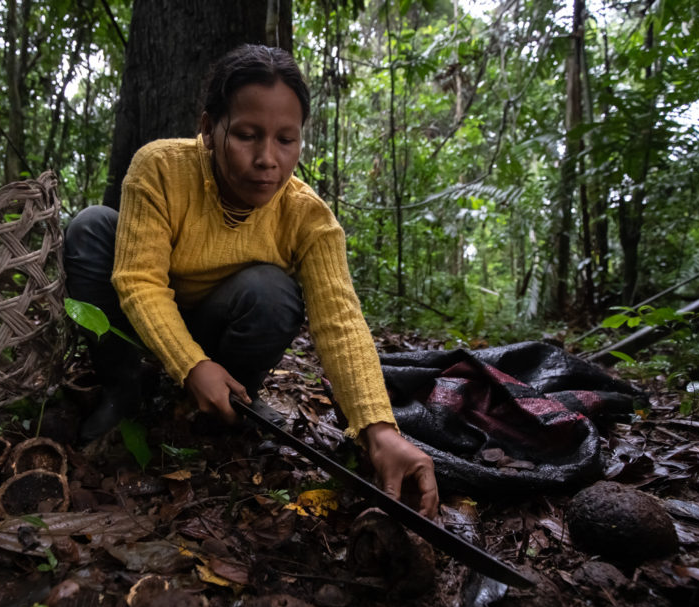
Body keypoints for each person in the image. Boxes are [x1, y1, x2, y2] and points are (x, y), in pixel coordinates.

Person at [64, 44, 439, 518]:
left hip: (218, 328)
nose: (267, 159)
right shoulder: (159, 167)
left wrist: (379, 430)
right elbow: (137, 280)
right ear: (208, 129)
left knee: (272, 290)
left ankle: (227, 405)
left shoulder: (307, 216)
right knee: (93, 226)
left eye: (287, 139)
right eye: (246, 135)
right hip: (145, 323)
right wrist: (189, 363)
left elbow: (341, 321)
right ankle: (124, 391)